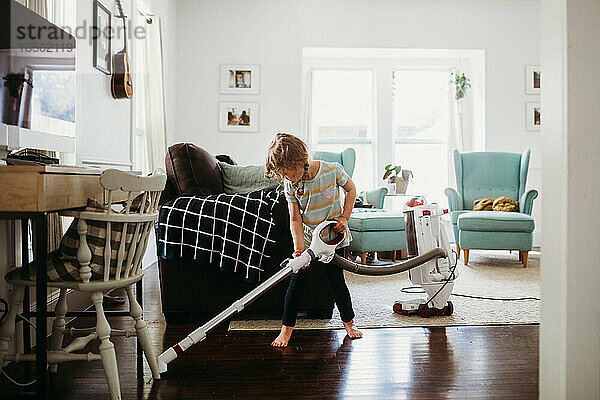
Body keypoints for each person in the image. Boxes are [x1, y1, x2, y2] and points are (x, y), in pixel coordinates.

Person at [265, 133, 363, 347]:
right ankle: (286, 331)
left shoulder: (332, 170)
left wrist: (344, 218)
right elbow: (295, 217)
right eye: (283, 175)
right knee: (296, 283)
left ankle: (349, 324)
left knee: (337, 283)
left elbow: (351, 189)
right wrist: (299, 249)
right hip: (310, 242)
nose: (288, 178)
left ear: (300, 161)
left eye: (288, 172)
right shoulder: (290, 184)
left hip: (335, 239)